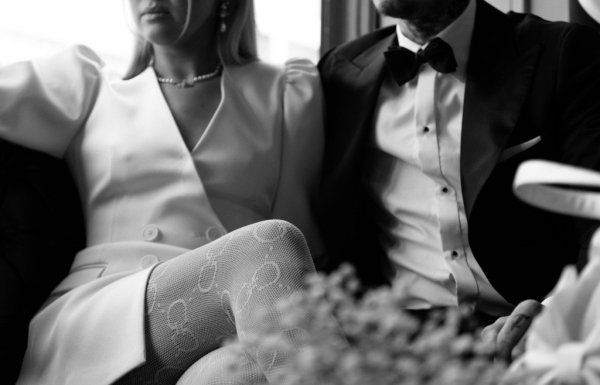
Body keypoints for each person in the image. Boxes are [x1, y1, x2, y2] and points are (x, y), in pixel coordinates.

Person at [3, 0, 324, 384]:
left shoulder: (286, 90)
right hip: (106, 313)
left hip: (232, 329)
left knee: (244, 373)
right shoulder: (91, 87)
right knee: (269, 241)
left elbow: (299, 248)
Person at [318, 0, 600, 362]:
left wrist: (554, 313)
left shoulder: (565, 52)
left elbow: (597, 225)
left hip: (528, 338)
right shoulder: (340, 72)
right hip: (394, 343)